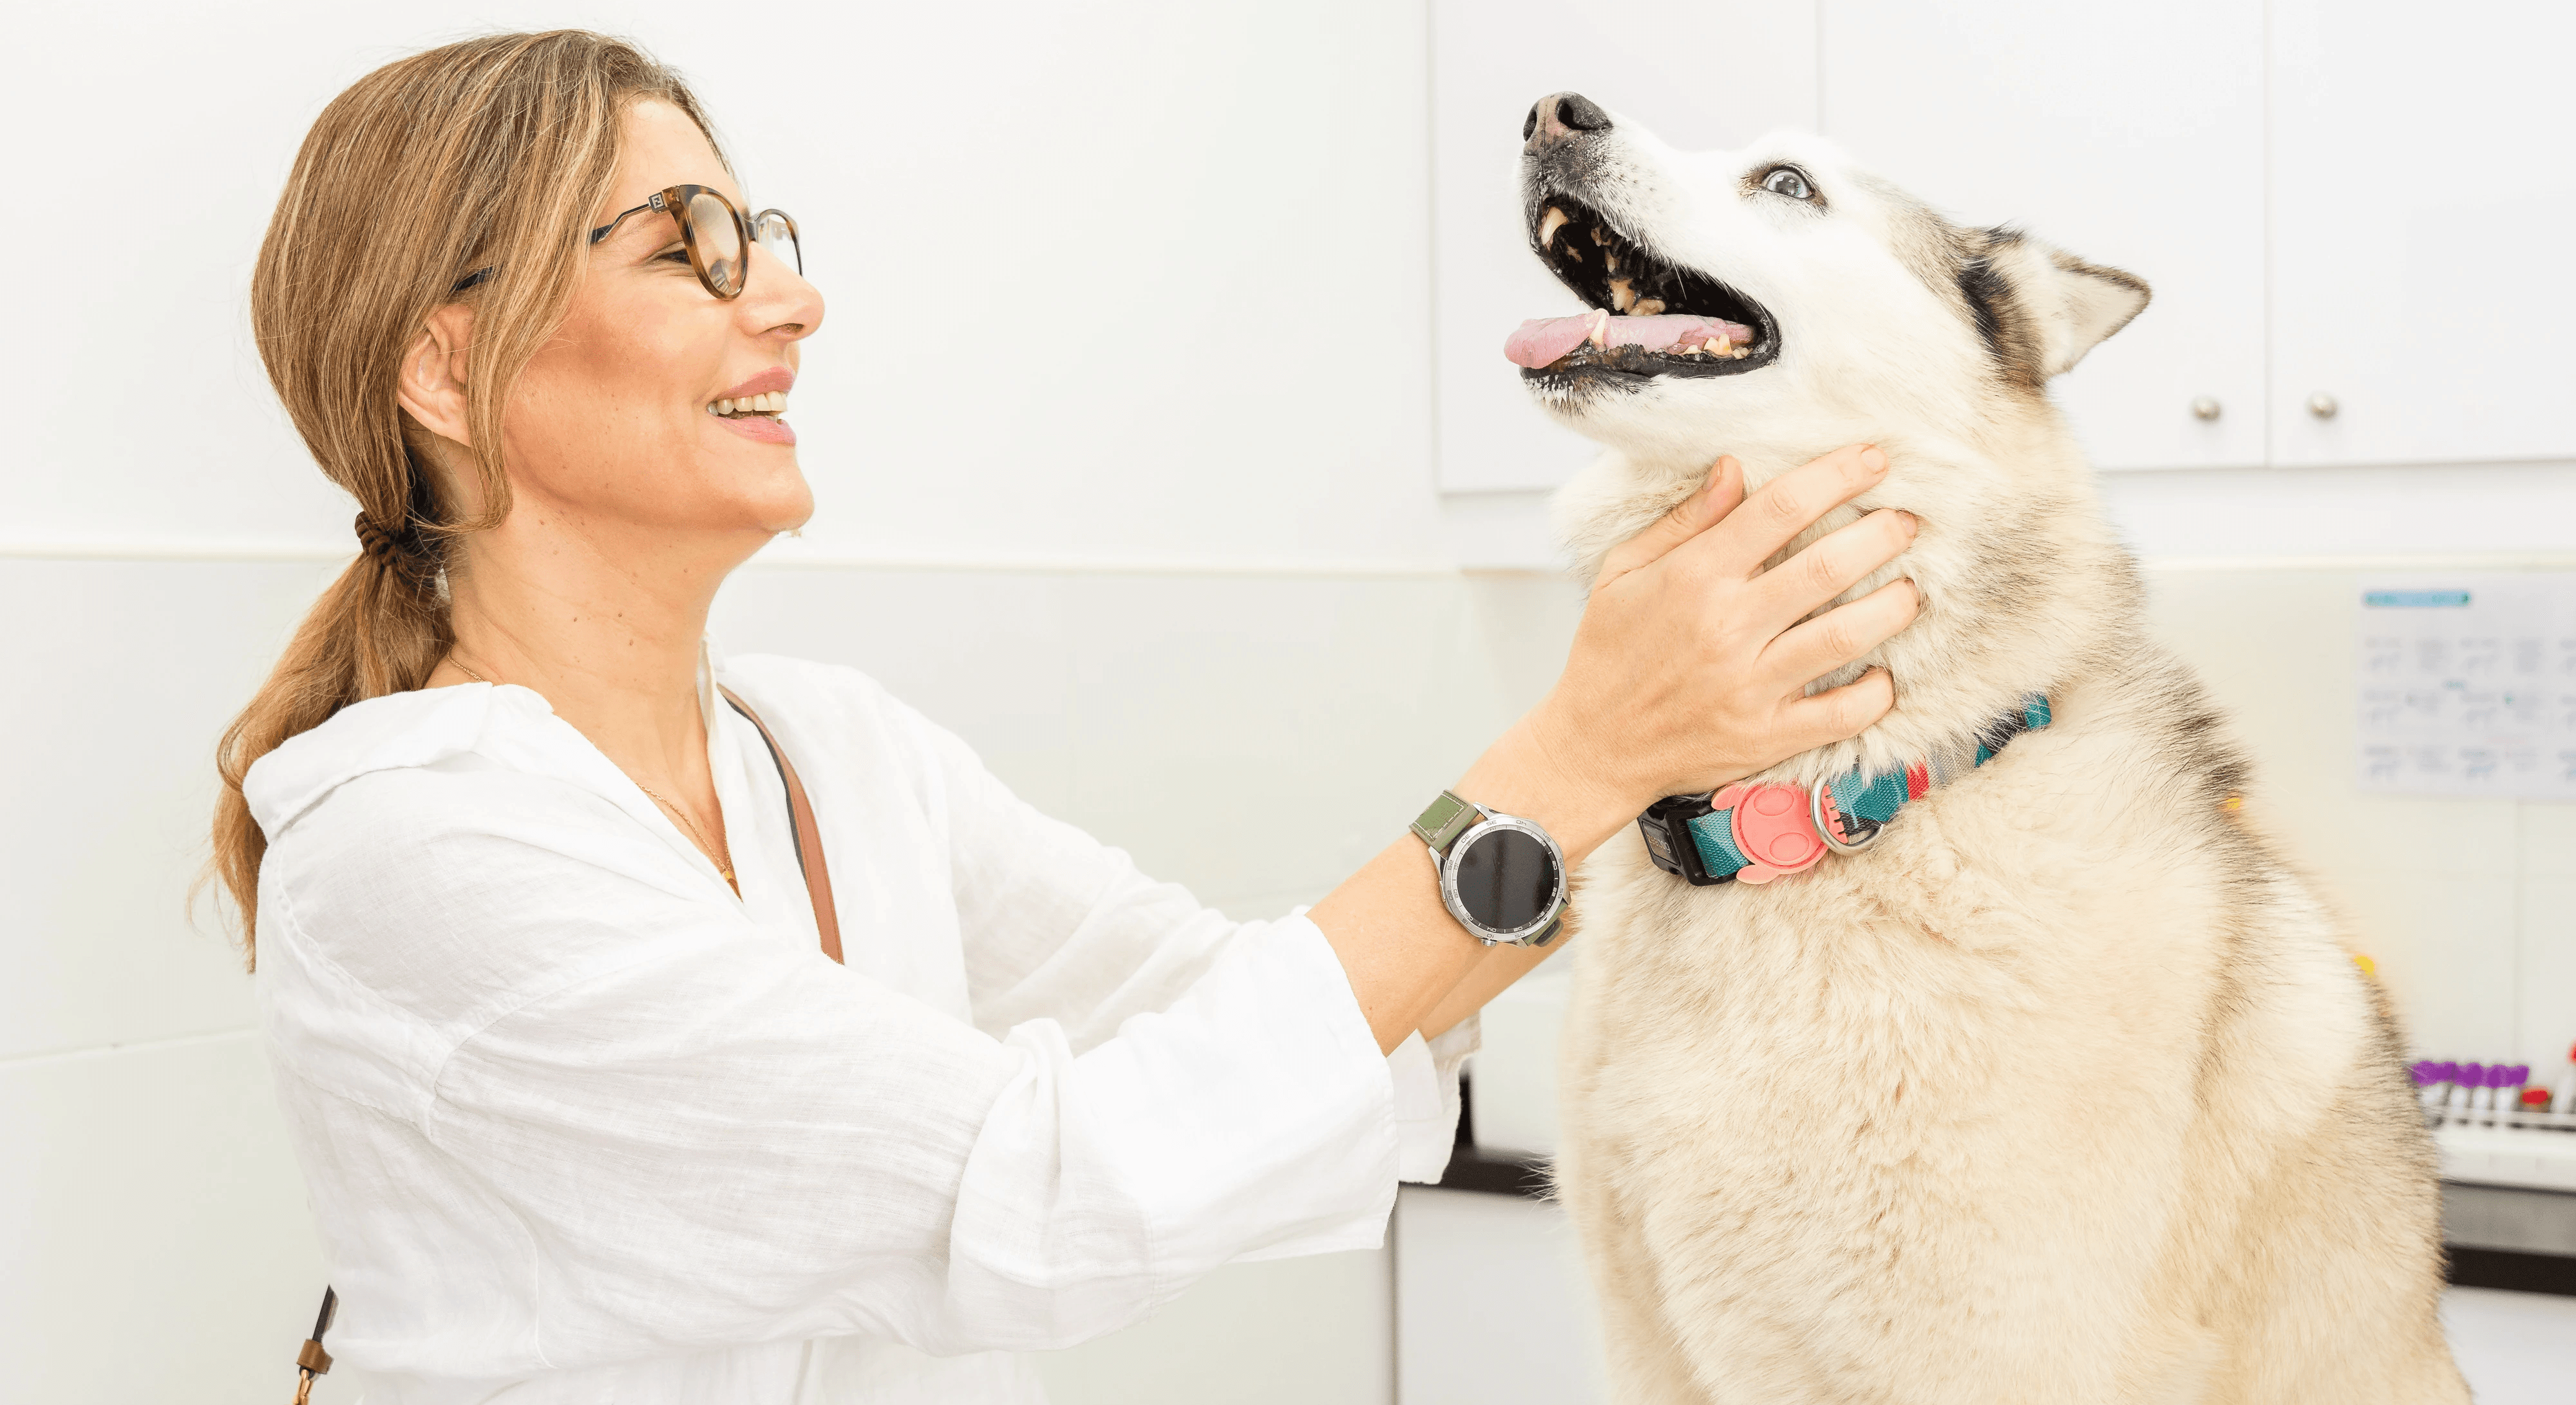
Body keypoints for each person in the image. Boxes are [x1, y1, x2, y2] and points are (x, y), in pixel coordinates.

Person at [210, 31, 1920, 1404]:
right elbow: (1048, 1179)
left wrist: (1687, 781)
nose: (789, 300)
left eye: (768, 238)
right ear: (446, 369)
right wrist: (1586, 746)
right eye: (688, 248)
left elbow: (1244, 1009)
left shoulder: (831, 749)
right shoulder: (415, 847)